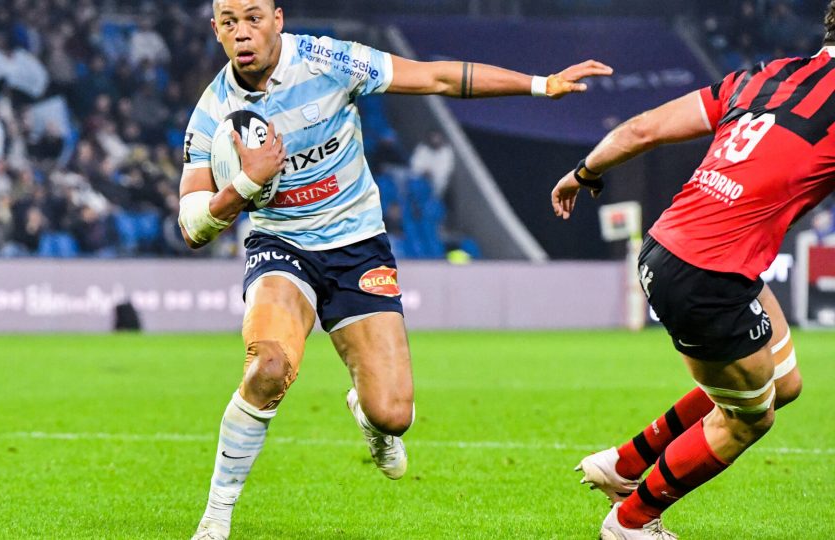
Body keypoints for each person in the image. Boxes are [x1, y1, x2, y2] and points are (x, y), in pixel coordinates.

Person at [180, 2, 612, 539]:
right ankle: (215, 519)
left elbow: (434, 77)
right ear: (216, 30)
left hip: (357, 244)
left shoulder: (328, 60)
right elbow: (191, 225)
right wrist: (245, 186)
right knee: (268, 367)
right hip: (281, 244)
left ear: (278, 19)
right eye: (228, 22)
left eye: (253, 18)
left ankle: (369, 415)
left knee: (393, 414)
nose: (242, 33)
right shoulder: (212, 111)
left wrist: (540, 85)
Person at [545, 5, 835, 537]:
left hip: (672, 248)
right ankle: (632, 523)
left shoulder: (761, 77)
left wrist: (583, 173)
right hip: (708, 276)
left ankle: (625, 465)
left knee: (783, 382)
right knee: (751, 418)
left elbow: (642, 128)